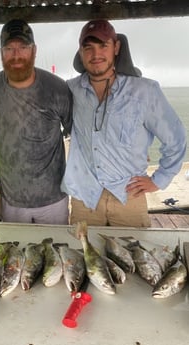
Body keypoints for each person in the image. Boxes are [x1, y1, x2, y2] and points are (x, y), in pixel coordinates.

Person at [61, 19, 187, 227]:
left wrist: (158, 180)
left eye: (103, 46)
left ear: (116, 47)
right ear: (81, 52)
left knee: (134, 256)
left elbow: (176, 139)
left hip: (129, 197)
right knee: (83, 256)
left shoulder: (144, 91)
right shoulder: (70, 90)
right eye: (88, 47)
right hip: (85, 199)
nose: (96, 55)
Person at [0, 19, 73, 224]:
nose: (16, 55)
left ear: (34, 50)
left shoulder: (57, 88)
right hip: (10, 202)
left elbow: (79, 133)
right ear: (1, 53)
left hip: (53, 201)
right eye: (9, 48)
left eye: (23, 47)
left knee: (58, 251)